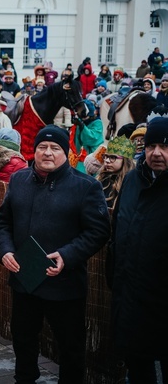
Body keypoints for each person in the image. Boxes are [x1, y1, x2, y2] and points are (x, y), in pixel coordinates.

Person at [0, 126, 110, 384]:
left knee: (70, 347)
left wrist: (67, 255)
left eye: (55, 148)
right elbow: (2, 223)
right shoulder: (19, 180)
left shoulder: (86, 186)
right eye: (42, 147)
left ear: (65, 152)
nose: (47, 153)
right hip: (24, 279)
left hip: (64, 284)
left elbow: (99, 231)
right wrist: (6, 250)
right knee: (23, 340)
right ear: (33, 151)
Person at [109, 117, 168, 383]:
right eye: (151, 145)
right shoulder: (133, 181)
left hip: (163, 299)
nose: (157, 153)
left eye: (165, 147)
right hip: (132, 296)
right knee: (139, 367)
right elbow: (117, 229)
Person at [95, 136, 135, 208]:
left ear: (125, 161)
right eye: (106, 156)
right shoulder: (101, 179)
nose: (107, 161)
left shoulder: (131, 184)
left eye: (113, 157)